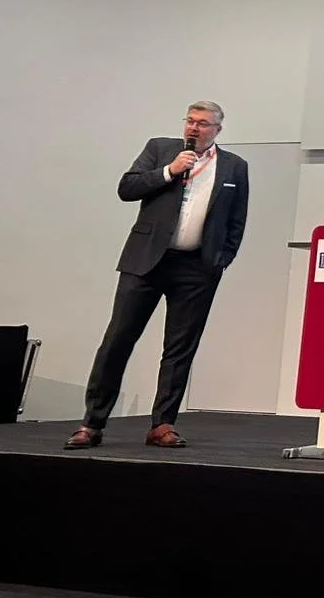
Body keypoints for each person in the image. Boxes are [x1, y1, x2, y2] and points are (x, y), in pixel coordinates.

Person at [65, 101, 250, 450]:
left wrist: (220, 260)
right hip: (146, 261)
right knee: (118, 340)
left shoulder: (235, 166)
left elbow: (236, 220)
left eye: (203, 123)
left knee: (179, 348)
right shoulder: (160, 149)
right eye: (190, 121)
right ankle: (92, 423)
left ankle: (163, 424)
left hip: (197, 268)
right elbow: (127, 188)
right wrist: (169, 171)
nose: (194, 128)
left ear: (217, 130)